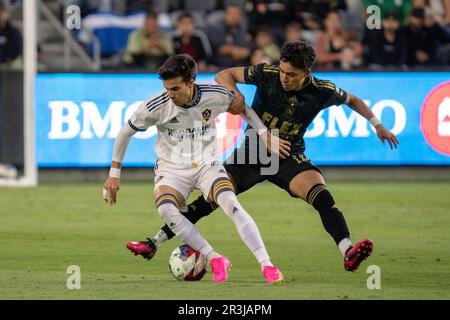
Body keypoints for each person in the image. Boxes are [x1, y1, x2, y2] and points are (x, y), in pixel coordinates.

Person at [128, 41, 400, 274]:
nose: (284, 77)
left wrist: (377, 124)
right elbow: (225, 74)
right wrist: (235, 97)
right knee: (211, 201)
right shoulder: (266, 73)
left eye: (291, 74)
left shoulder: (323, 90)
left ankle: (347, 251)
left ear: (307, 72)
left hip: (288, 155)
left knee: (322, 196)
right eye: (282, 70)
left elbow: (353, 100)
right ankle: (154, 242)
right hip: (252, 152)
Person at [103, 54, 289, 283]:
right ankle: (215, 258)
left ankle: (267, 265)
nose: (170, 94)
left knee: (230, 203)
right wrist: (114, 174)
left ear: (191, 83)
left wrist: (264, 134)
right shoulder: (156, 105)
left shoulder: (215, 95)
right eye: (166, 88)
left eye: (175, 88)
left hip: (206, 165)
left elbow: (243, 108)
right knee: (166, 210)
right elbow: (125, 133)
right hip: (171, 170)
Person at [0, 1, 22, 67]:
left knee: (17, 64)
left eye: (2, 11)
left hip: (9, 64)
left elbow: (16, 49)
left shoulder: (13, 31)